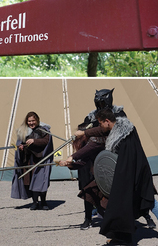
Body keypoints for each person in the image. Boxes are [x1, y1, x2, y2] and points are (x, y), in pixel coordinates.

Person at [66, 89, 127, 230]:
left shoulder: (118, 114)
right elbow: (83, 127)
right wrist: (80, 132)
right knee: (87, 185)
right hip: (93, 155)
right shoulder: (92, 116)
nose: (100, 102)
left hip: (112, 155)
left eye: (102, 99)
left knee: (117, 187)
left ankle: (139, 216)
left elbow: (115, 132)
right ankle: (88, 218)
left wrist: (88, 132)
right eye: (97, 100)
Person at [96, 109, 155, 245]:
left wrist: (121, 180)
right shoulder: (123, 132)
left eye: (100, 124)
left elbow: (128, 160)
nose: (100, 127)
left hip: (128, 175)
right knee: (120, 207)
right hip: (127, 174)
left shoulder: (124, 136)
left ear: (107, 121)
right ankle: (118, 236)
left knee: (122, 206)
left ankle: (124, 238)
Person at [11, 111, 54, 211]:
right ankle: (35, 202)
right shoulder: (24, 131)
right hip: (29, 160)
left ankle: (43, 202)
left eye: (33, 120)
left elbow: (46, 141)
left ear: (37, 120)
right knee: (31, 181)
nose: (31, 123)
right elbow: (21, 144)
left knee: (41, 181)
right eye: (29, 121)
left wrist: (35, 141)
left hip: (41, 160)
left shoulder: (43, 130)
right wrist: (21, 147)